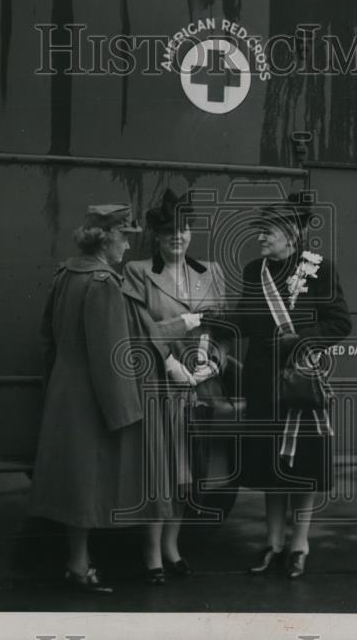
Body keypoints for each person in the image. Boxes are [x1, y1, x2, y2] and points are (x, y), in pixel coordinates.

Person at [208, 195, 351, 579]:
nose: (260, 238)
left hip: (299, 384)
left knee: (300, 467)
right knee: (272, 466)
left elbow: (340, 323)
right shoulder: (255, 271)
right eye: (260, 231)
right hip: (261, 383)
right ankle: (273, 544)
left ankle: (299, 545)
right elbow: (248, 318)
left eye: (267, 232)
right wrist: (211, 321)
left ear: (290, 235)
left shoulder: (319, 270)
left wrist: (299, 340)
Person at [27, 204, 145, 594]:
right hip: (94, 394)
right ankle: (78, 566)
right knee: (87, 483)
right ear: (106, 238)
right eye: (124, 236)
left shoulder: (66, 273)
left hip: (65, 387)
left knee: (73, 481)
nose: (127, 245)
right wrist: (127, 411)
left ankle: (78, 560)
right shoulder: (103, 282)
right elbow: (111, 355)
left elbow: (47, 332)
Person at [123, 189, 231, 585]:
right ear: (156, 235)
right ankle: (152, 553)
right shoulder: (138, 272)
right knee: (161, 471)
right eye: (169, 231)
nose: (178, 237)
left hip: (200, 386)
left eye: (184, 229)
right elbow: (137, 327)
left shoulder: (211, 272)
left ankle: (173, 546)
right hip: (158, 383)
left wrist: (212, 360)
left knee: (190, 470)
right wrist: (168, 362)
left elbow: (221, 329)